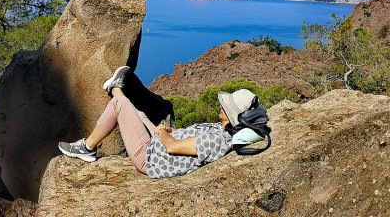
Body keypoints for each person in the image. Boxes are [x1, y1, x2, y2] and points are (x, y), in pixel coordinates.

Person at [58, 66, 261, 178]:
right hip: (157, 146)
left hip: (150, 158)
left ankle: (87, 147)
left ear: (237, 117)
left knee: (120, 103)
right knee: (138, 112)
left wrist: (164, 133)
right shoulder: (223, 130)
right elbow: (183, 142)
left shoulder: (217, 140)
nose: (220, 108)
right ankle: (115, 89)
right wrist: (168, 131)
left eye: (225, 107)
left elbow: (172, 148)